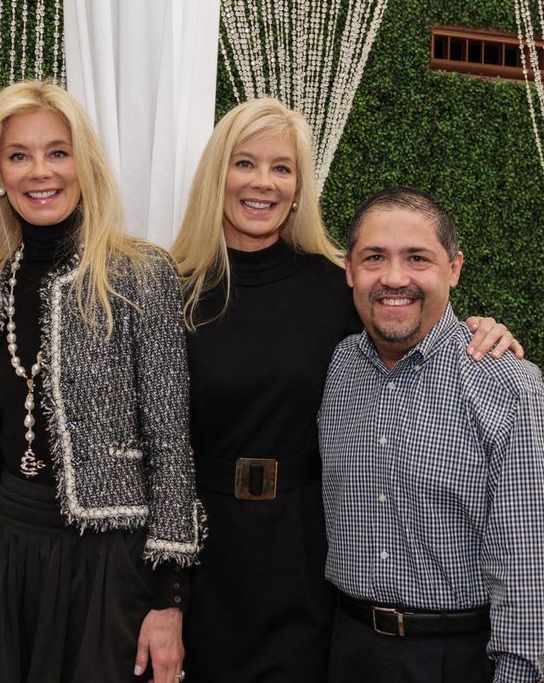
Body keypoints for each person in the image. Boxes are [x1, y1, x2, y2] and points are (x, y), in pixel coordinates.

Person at [171, 99, 521, 682]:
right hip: (204, 551)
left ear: (300, 184)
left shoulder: (337, 285)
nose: (263, 182)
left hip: (305, 557)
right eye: (244, 163)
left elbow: (412, 314)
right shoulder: (170, 290)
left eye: (282, 168)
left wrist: (482, 329)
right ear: (217, 174)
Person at [0, 80, 204, 683]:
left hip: (109, 558)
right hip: (9, 545)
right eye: (18, 155)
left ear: (84, 165)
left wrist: (168, 598)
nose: (39, 171)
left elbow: (171, 440)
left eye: (57, 152)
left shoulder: (139, 272)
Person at [319, 186, 544, 682]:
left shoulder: (508, 386)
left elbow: (534, 572)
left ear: (453, 269)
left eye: (418, 258)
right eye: (375, 258)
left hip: (458, 659)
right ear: (350, 270)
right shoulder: (339, 367)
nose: (394, 278)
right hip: (346, 649)